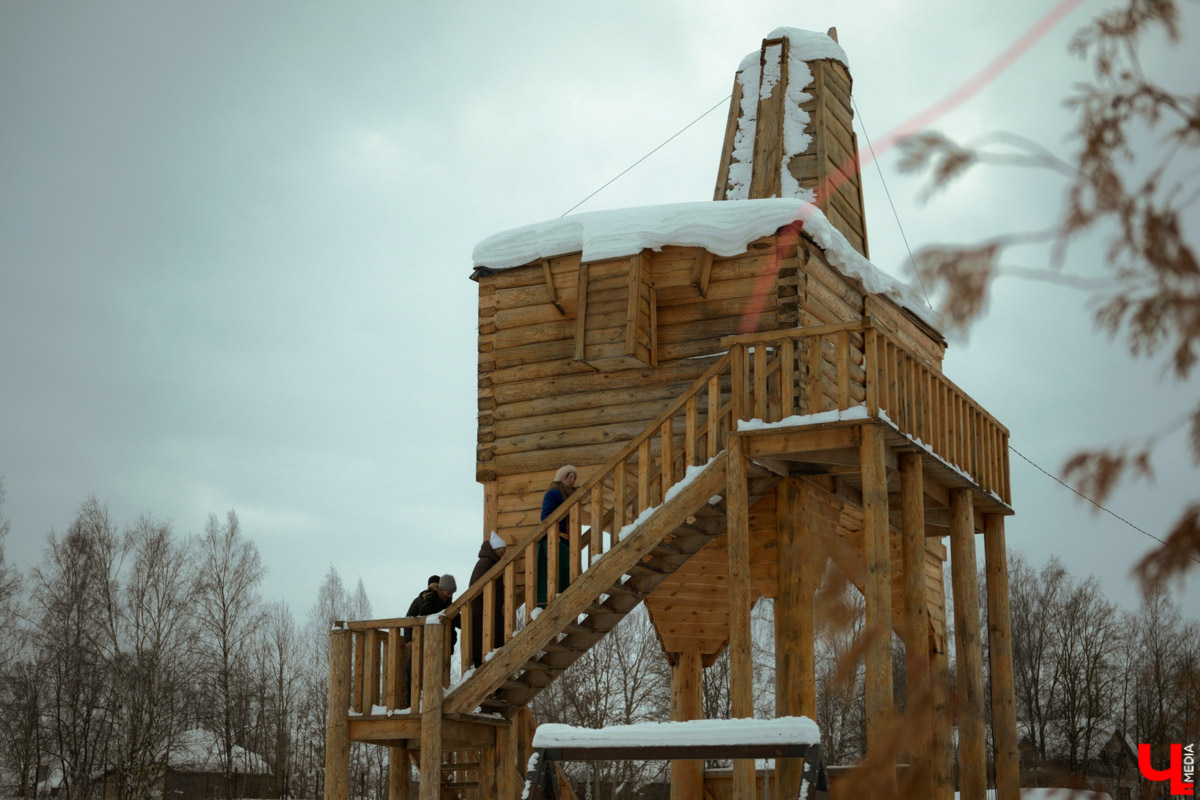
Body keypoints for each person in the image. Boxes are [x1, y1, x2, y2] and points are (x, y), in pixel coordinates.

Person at [536, 464, 576, 607]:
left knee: (566, 572)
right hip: (554, 540)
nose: (572, 481)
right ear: (562, 478)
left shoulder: (569, 495)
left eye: (573, 478)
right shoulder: (553, 493)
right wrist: (558, 533)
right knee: (554, 573)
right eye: (570, 477)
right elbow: (545, 517)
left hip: (565, 541)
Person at [468, 531, 507, 667]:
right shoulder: (485, 562)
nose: (503, 555)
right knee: (483, 644)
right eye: (502, 552)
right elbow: (479, 585)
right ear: (496, 550)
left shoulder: (489, 562)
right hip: (483, 611)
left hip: (488, 610)